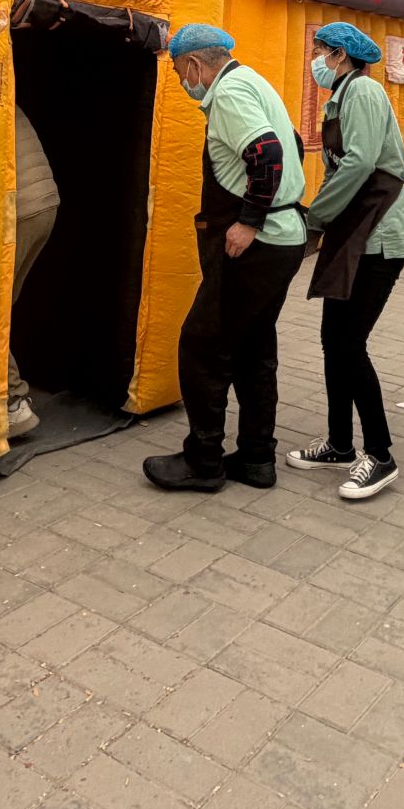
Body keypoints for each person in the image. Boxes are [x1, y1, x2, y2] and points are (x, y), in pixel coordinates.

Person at [143, 25, 308, 494]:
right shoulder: (253, 81)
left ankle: (204, 461)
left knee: (202, 346)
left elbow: (268, 153)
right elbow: (294, 142)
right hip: (285, 238)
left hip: (258, 245)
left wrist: (249, 220)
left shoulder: (231, 93)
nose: (183, 82)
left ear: (195, 64)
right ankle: (256, 458)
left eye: (180, 72)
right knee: (254, 349)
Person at [286, 23, 404, 500]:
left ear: (340, 55)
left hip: (379, 233)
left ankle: (380, 454)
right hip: (354, 230)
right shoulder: (340, 96)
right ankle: (340, 443)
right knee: (332, 340)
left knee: (348, 343)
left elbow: (360, 162)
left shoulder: (362, 90)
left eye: (321, 51)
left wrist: (316, 218)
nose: (316, 60)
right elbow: (342, 169)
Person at [6, 109, 61, 439]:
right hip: (42, 204)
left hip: (20, 210)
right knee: (0, 307)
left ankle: (12, 404)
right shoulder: (4, 97)